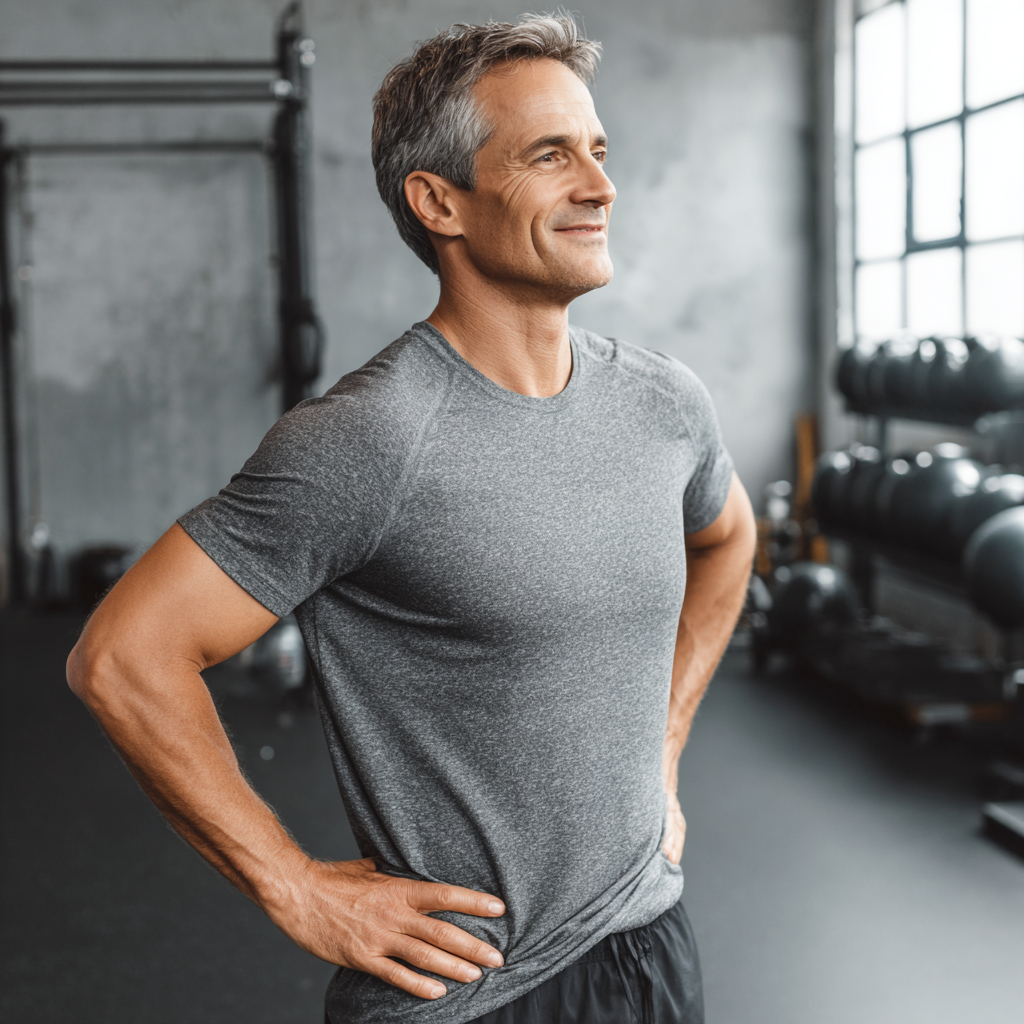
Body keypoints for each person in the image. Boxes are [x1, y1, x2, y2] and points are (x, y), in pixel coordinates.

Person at [67, 13, 755, 1024]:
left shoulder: (664, 402)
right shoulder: (370, 439)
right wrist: (295, 885)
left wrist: (663, 739)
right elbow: (123, 658)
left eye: (599, 152)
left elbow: (727, 536)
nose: (601, 187)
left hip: (651, 945)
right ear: (439, 201)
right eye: (550, 155)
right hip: (473, 993)